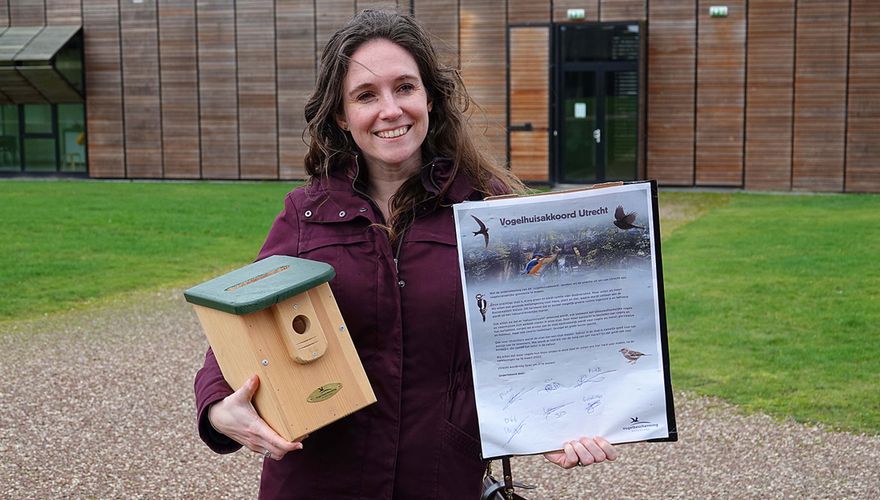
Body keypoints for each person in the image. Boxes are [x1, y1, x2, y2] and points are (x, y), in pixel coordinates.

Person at [194, 10, 618, 499]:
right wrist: (218, 406)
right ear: (341, 114)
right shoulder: (306, 215)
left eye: (405, 88)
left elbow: (542, 334)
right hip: (319, 483)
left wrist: (560, 419)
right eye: (366, 95)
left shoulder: (490, 212)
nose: (390, 110)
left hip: (439, 481)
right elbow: (241, 324)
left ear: (430, 98)